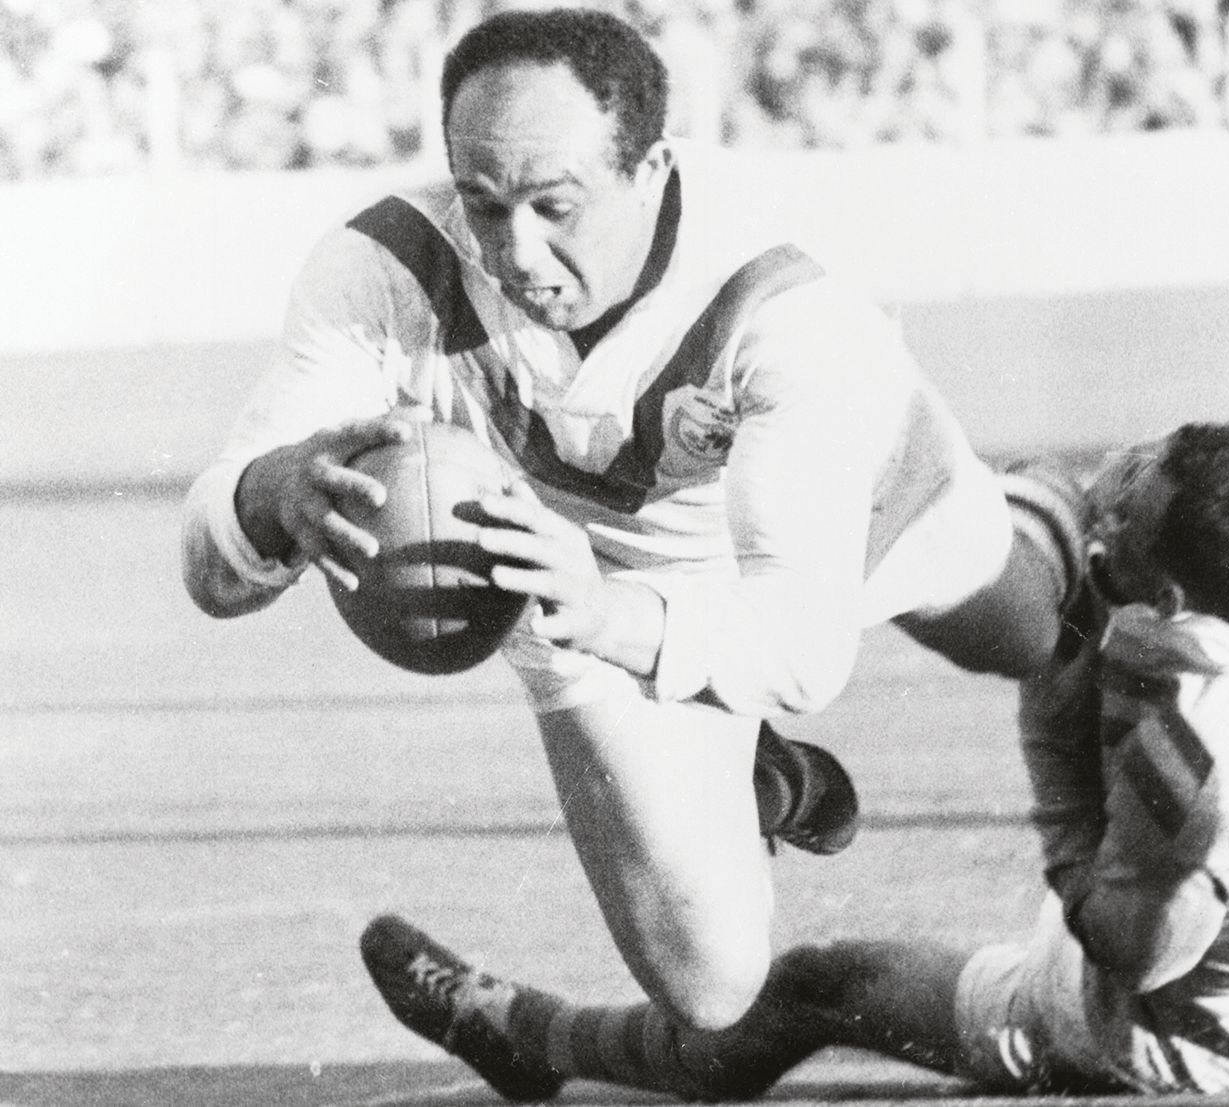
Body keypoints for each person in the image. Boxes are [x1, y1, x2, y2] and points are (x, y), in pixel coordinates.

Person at [181, 8, 1082, 1031]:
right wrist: (271, 493)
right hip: (577, 570)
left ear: (650, 169)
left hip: (854, 504)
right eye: (482, 203)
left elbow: (802, 648)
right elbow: (208, 571)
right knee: (710, 985)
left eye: (554, 206)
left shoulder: (781, 302)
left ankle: (1051, 508)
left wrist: (613, 615)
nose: (515, 251)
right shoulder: (380, 269)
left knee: (1028, 633)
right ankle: (741, 775)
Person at [358, 421, 1229, 1098]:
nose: (1113, 492)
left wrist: (1052, 733)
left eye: (1131, 513)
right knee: (1040, 571)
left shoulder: (1195, 758)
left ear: (1173, 600)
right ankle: (744, 738)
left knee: (815, 988)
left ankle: (529, 1035)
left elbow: (1131, 953)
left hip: (1161, 1034)